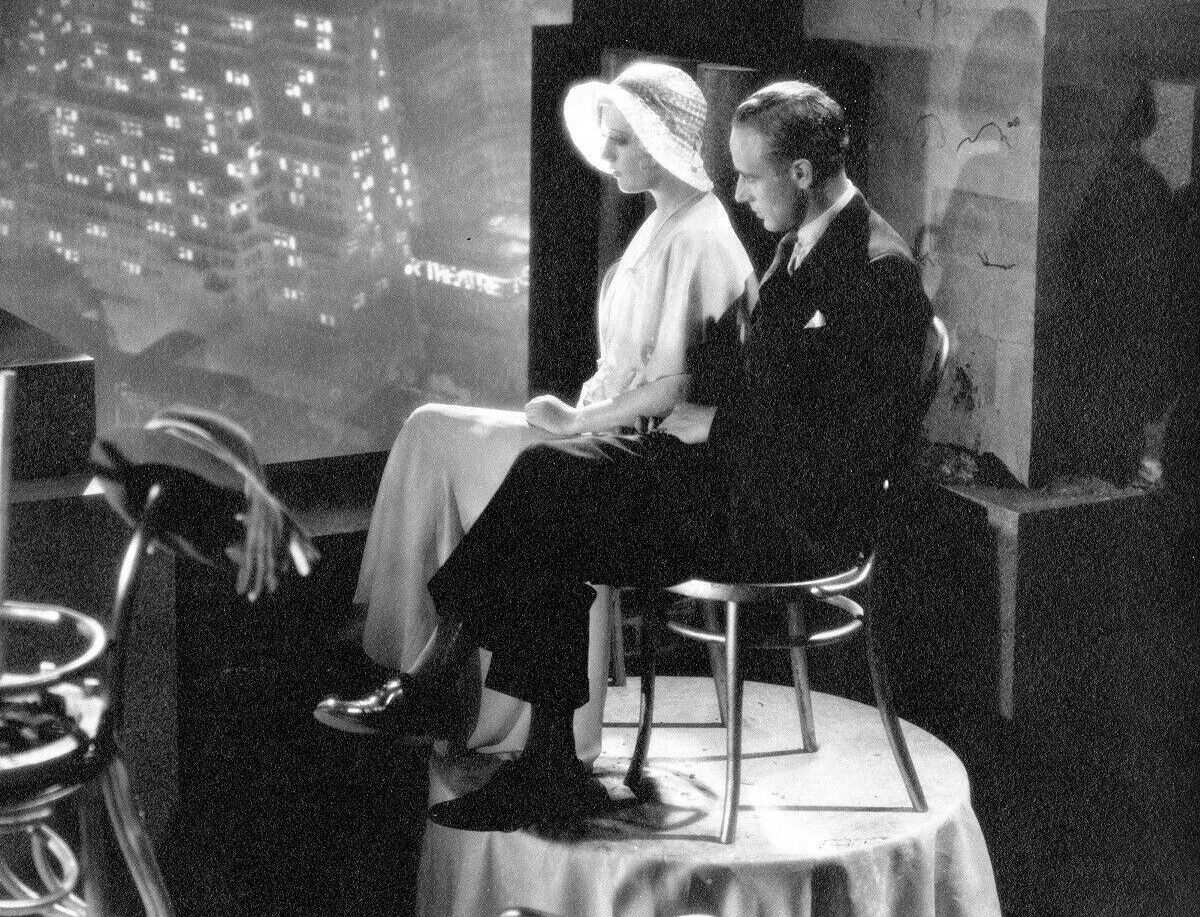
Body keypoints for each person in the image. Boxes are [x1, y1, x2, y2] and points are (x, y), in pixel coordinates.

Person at [318, 79, 932, 833]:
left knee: (554, 497)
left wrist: (717, 428)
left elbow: (847, 450)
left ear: (802, 172)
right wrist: (710, 417)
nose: (739, 193)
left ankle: (470, 706)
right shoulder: (801, 242)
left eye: (750, 175)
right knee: (549, 477)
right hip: (732, 483)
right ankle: (524, 746)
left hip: (784, 521)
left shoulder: (878, 270)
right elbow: (777, 392)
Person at [317, 60, 753, 757]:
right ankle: (404, 658)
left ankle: (435, 681)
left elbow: (673, 387)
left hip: (638, 457)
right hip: (607, 434)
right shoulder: (659, 224)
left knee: (531, 478)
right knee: (428, 429)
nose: (607, 153)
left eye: (622, 140)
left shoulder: (700, 237)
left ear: (661, 141)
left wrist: (577, 423)